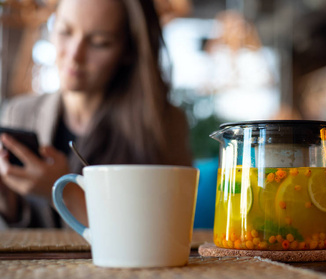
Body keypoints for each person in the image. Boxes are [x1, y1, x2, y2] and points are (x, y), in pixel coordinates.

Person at [0, 0, 192, 228]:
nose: (74, 54)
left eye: (100, 42)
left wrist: (65, 191)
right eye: (64, 31)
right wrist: (6, 199)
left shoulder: (162, 124)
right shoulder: (18, 113)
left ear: (128, 51)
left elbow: (166, 233)